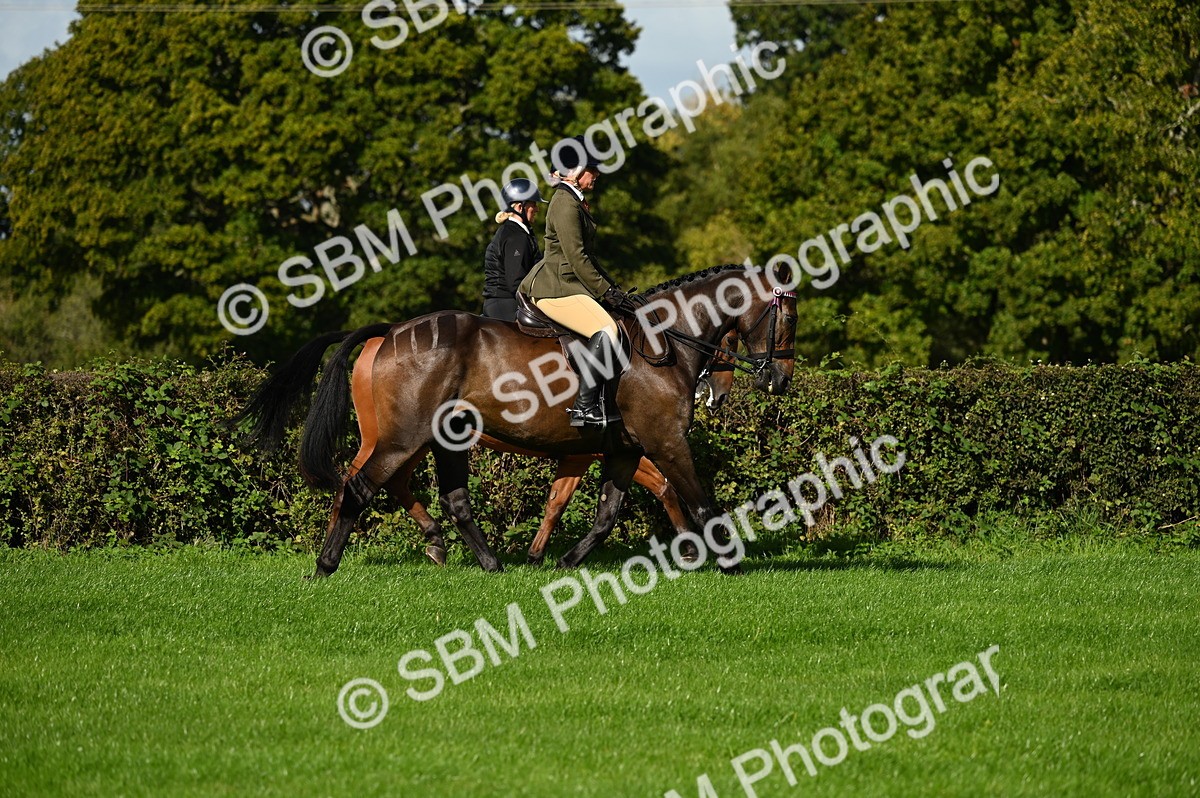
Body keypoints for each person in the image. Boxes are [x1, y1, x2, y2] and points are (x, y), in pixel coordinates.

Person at [517, 136, 629, 428]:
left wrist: (614, 288)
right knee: (606, 329)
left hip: (568, 283)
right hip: (555, 288)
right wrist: (605, 291)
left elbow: (588, 257)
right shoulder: (565, 204)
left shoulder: (574, 201)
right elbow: (577, 258)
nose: (598, 174)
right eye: (593, 168)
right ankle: (584, 407)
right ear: (576, 170)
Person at [482, 179, 547, 321]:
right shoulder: (516, 236)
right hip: (507, 304)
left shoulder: (513, 231)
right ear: (519, 207)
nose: (537, 209)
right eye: (533, 204)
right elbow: (517, 282)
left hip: (500, 303)